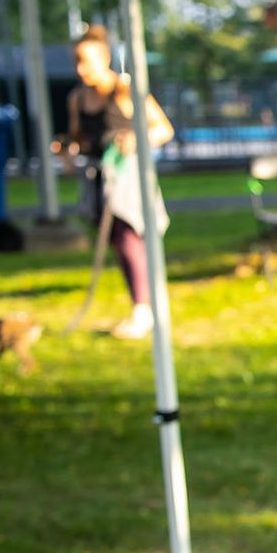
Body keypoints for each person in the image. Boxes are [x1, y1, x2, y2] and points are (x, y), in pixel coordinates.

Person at [63, 24, 174, 341]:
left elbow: (162, 130)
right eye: (77, 62)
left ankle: (144, 310)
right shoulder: (77, 99)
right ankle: (144, 302)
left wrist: (135, 140)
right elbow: (80, 139)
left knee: (130, 237)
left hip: (128, 177)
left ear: (105, 58)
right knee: (117, 241)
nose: (81, 69)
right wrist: (67, 150)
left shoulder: (123, 91)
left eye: (87, 61)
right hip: (99, 180)